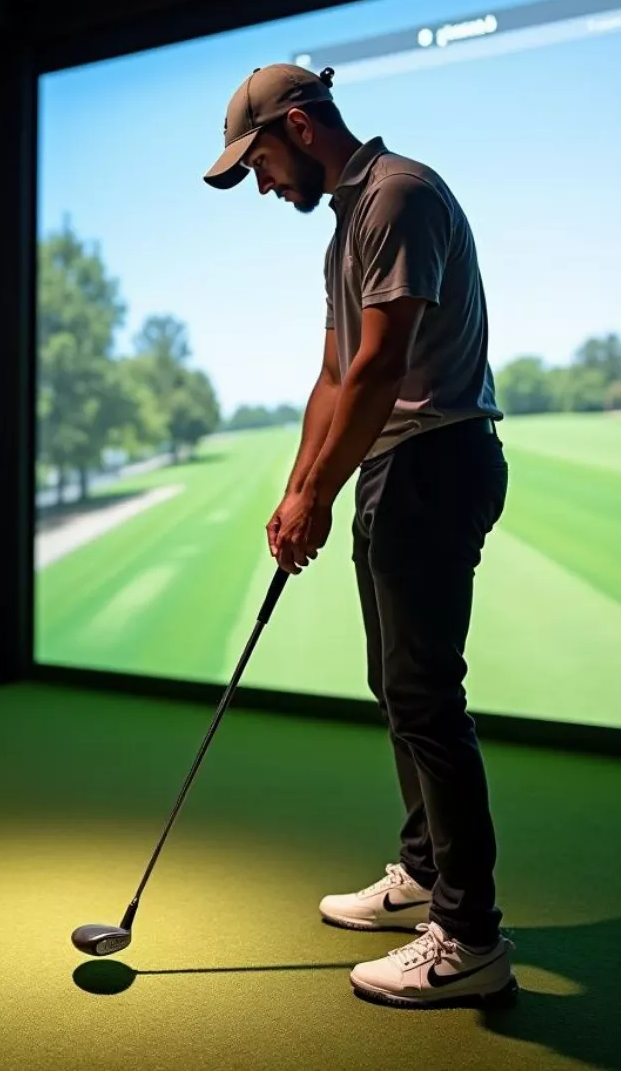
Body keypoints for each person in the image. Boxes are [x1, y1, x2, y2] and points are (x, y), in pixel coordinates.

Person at [204, 64, 514, 1009]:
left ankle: (469, 937)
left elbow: (382, 367)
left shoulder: (399, 196)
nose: (261, 184)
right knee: (398, 688)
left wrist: (321, 492)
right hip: (393, 468)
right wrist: (298, 489)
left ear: (298, 127)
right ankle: (425, 875)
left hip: (436, 459)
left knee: (428, 696)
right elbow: (334, 377)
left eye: (257, 162)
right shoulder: (348, 226)